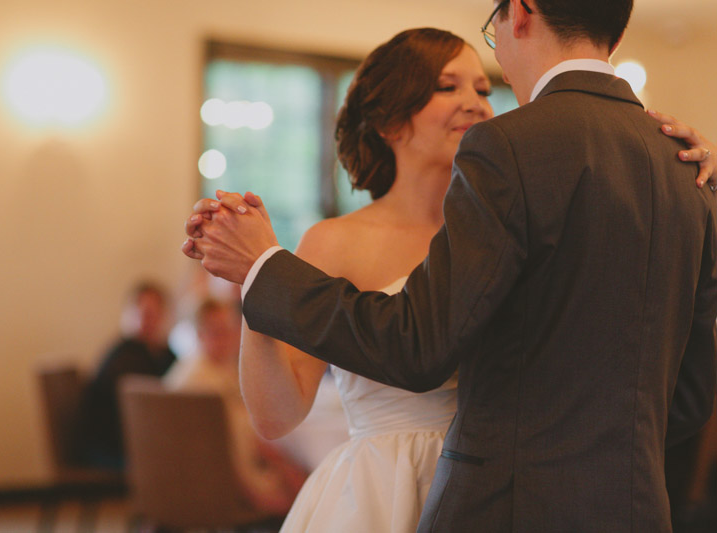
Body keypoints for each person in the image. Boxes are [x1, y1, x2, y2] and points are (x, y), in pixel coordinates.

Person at [183, 0, 717, 530]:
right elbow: (276, 415)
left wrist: (265, 269)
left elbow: (420, 345)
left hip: (497, 501)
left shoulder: (524, 187)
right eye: (447, 86)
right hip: (387, 494)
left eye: (484, 89)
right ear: (390, 117)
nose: (477, 104)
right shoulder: (339, 239)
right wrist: (257, 277)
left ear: (522, 14)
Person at [165, 298, 307, 516]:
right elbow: (232, 443)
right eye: (216, 332)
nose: (228, 339)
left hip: (187, 483)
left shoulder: (210, 369)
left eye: (229, 330)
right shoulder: (201, 383)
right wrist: (283, 467)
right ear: (199, 334)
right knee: (309, 482)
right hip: (222, 484)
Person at [80, 280, 177, 469]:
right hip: (111, 448)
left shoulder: (162, 353)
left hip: (132, 440)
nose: (145, 320)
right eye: (141, 313)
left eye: (152, 314)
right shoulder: (123, 359)